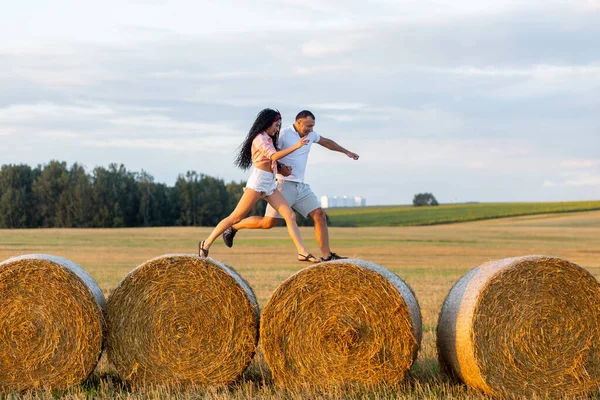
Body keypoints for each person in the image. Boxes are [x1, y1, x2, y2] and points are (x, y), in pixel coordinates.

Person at [222, 110, 360, 262]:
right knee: (267, 223)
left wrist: (347, 152)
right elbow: (271, 155)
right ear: (299, 122)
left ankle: (327, 256)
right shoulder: (283, 134)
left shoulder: (311, 135)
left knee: (319, 215)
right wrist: (281, 168)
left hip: (301, 186)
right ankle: (234, 227)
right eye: (308, 125)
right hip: (283, 185)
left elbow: (327, 142)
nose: (311, 129)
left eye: (313, 126)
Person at [198, 108, 320, 263]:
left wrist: (282, 168)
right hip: (258, 182)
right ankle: (206, 243)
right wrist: (296, 146)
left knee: (290, 216)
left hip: (270, 182)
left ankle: (302, 252)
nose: (277, 129)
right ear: (268, 123)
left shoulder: (269, 139)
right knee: (235, 217)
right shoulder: (260, 139)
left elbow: (273, 161)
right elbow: (273, 155)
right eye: (276, 125)